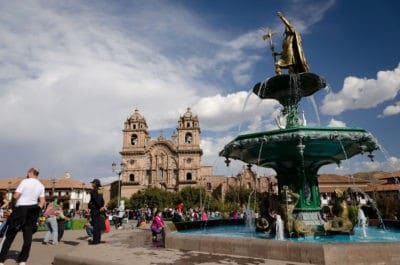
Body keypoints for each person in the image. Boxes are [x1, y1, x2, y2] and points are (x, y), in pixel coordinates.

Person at [0, 167, 45, 265]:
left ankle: (1, 259)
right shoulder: (41, 186)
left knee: (10, 235)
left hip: (21, 209)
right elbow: (42, 202)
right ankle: (22, 260)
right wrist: (37, 210)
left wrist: (14, 205)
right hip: (33, 209)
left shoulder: (25, 182)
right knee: (28, 237)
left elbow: (16, 196)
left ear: (30, 173)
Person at [88, 179, 105, 245]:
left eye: (92, 183)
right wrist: (101, 206)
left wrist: (90, 205)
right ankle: (98, 240)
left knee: (95, 225)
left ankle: (95, 241)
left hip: (95, 209)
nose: (91, 184)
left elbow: (95, 200)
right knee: (98, 225)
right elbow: (102, 199)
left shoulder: (93, 191)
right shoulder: (100, 190)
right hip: (99, 209)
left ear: (95, 184)